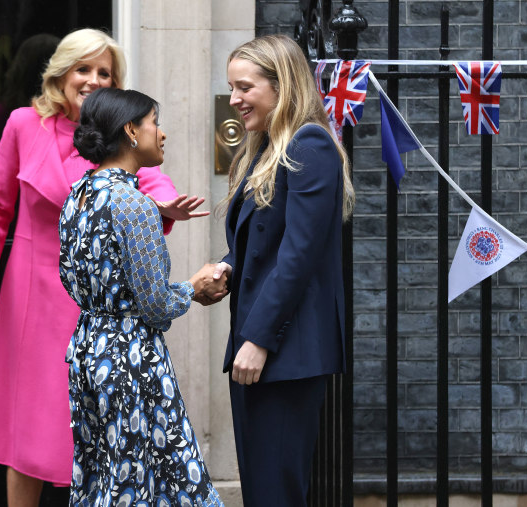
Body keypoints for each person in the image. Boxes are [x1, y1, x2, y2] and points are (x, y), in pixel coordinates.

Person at [0, 28, 207, 507]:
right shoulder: (22, 124)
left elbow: (153, 181)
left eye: (105, 72)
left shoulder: (121, 132)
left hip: (91, 303)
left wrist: (161, 207)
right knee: (27, 428)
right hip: (28, 297)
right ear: (62, 73)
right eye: (83, 69)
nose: (93, 79)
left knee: (91, 429)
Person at [60, 87, 226, 506]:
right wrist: (195, 286)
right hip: (129, 358)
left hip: (87, 350)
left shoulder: (78, 196)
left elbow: (68, 276)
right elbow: (156, 305)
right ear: (132, 131)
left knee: (104, 473)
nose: (163, 134)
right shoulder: (133, 204)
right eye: (155, 123)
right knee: (149, 479)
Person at [213, 34, 355, 506]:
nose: (233, 100)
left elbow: (299, 255)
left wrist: (258, 340)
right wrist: (227, 268)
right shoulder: (263, 147)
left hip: (283, 351)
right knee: (262, 489)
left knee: (276, 492)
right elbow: (261, 244)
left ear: (283, 85)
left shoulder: (309, 144)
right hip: (258, 346)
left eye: (244, 87)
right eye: (232, 88)